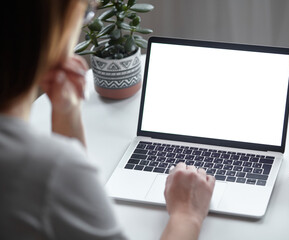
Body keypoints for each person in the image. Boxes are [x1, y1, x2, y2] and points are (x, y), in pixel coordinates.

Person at [0, 0, 215, 239]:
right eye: (85, 14)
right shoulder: (50, 168)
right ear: (50, 30)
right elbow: (59, 178)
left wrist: (66, 117)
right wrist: (187, 214)